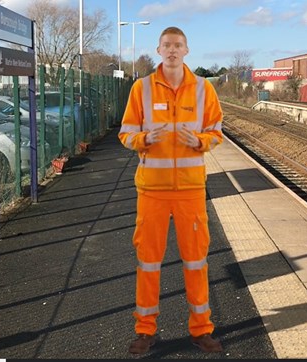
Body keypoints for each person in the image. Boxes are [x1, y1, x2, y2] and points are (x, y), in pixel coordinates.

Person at [118, 26, 224, 355]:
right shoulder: (142, 89)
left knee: (196, 262)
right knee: (149, 261)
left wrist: (202, 142)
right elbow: (125, 132)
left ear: (187, 50)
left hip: (190, 190)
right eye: (167, 45)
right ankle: (145, 330)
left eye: (178, 45)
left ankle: (201, 328)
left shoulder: (204, 89)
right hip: (152, 191)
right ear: (159, 50)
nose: (173, 50)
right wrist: (143, 139)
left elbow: (216, 129)